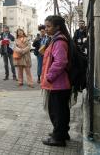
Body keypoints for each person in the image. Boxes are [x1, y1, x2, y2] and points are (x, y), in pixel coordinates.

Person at [41, 15, 71, 147]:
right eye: (45, 26)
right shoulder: (56, 39)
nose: (46, 29)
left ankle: (58, 138)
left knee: (57, 111)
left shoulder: (59, 41)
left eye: (48, 26)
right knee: (61, 110)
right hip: (58, 84)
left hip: (58, 84)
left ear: (57, 26)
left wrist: (49, 77)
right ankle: (62, 133)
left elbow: (60, 62)